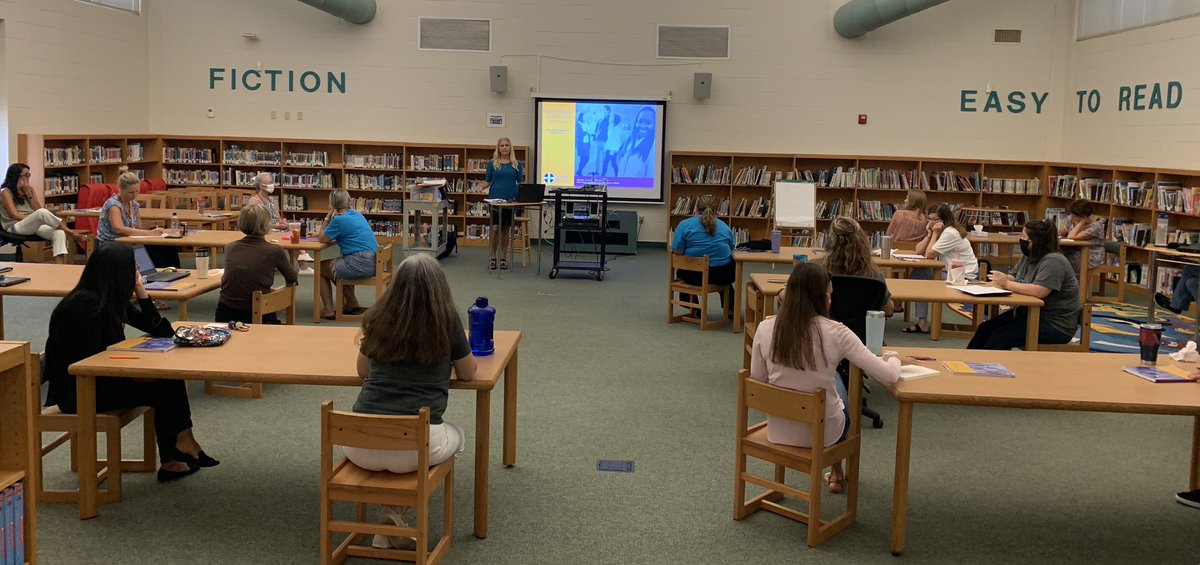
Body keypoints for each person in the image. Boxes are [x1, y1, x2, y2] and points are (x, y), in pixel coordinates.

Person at [42, 245, 218, 482]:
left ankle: (178, 451)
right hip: (78, 391)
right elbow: (90, 363)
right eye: (132, 269)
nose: (137, 271)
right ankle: (176, 452)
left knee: (166, 379)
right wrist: (134, 372)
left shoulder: (107, 298)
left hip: (99, 379)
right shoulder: (83, 305)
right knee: (162, 387)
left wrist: (142, 292)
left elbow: (162, 331)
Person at [348, 253, 479, 550]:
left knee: (398, 449)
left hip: (358, 441)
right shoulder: (446, 320)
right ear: (439, 287)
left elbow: (362, 371)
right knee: (457, 435)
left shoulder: (380, 317)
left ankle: (390, 519)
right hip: (415, 445)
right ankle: (394, 514)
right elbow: (469, 374)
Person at [750, 262, 906, 494]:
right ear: (823, 297)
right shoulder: (837, 332)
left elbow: (757, 379)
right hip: (824, 435)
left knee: (825, 379)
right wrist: (894, 357)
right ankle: (837, 472)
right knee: (834, 381)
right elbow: (889, 375)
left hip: (778, 430)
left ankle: (834, 473)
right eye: (829, 294)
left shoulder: (766, 327)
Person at [969, 220, 1079, 349]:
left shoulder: (1054, 261)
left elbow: (1040, 291)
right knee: (985, 328)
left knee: (1000, 336)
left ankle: (986, 367)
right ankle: (967, 363)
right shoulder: (1029, 255)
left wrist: (1006, 283)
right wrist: (998, 281)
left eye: (1023, 237)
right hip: (1029, 314)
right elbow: (1014, 276)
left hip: (1055, 324)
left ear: (1035, 241)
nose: (1020, 239)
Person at [215, 204, 298, 324]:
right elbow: (293, 278)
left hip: (225, 313)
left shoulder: (230, 247)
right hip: (259, 313)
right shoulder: (274, 250)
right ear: (266, 224)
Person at [905, 203, 979, 333]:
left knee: (921, 276)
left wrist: (934, 234)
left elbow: (929, 254)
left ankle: (923, 322)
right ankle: (922, 322)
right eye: (930, 219)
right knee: (920, 274)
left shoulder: (950, 233)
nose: (931, 222)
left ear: (944, 220)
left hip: (963, 276)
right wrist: (929, 234)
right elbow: (918, 251)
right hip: (951, 271)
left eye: (935, 219)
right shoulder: (942, 231)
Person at [0, 163, 85, 263]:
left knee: (59, 232)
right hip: (14, 225)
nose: (28, 178)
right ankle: (70, 232)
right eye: (25, 175)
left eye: (29, 175)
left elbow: (37, 209)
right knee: (41, 213)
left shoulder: (30, 190)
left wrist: (29, 195)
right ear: (16, 176)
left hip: (31, 224)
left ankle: (61, 268)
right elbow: (14, 214)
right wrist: (32, 217)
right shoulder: (5, 192)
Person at [97, 168, 180, 269]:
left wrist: (159, 231)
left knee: (167, 247)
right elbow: (118, 228)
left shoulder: (134, 205)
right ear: (120, 189)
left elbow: (138, 227)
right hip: (113, 243)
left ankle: (171, 273)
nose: (135, 195)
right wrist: (150, 233)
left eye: (137, 191)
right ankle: (150, 274)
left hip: (129, 241)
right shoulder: (113, 205)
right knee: (156, 253)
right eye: (130, 193)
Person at [318, 189, 378, 320]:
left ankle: (328, 310)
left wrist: (328, 216)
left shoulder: (338, 220)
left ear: (332, 204)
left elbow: (322, 238)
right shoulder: (356, 214)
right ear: (348, 201)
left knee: (320, 268)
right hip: (373, 261)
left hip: (359, 263)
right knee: (334, 267)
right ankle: (352, 303)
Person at [670, 194, 735, 312]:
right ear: (715, 209)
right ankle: (731, 310)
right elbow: (731, 248)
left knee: (681, 270)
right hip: (722, 275)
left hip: (695, 276)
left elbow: (677, 251)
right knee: (727, 275)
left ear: (696, 208)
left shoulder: (685, 225)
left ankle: (694, 308)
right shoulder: (724, 226)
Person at [822, 217, 895, 316]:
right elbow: (888, 310)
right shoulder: (874, 276)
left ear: (830, 242)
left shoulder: (819, 271)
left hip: (827, 329)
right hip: (863, 330)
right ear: (863, 242)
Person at [481, 137, 524, 270]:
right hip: (495, 200)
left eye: (507, 145)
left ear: (511, 147)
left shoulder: (517, 164)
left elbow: (520, 182)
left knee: (506, 230)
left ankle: (503, 258)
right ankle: (493, 257)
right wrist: (482, 186)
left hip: (510, 200)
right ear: (498, 148)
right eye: (502, 145)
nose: (504, 147)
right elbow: (487, 181)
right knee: (495, 228)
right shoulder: (492, 163)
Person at [1058, 199, 1106, 276]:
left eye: (1075, 216)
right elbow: (1060, 232)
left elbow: (1071, 237)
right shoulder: (1071, 218)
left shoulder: (1096, 227)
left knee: (1062, 259)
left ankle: (1071, 284)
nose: (1072, 217)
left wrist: (1082, 222)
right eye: (1072, 214)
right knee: (1056, 254)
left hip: (1090, 255)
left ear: (1084, 216)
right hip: (1075, 250)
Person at [617, 106, 656, 178]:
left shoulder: (653, 150)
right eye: (640, 121)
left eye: (648, 122)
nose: (642, 126)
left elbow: (650, 181)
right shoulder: (629, 141)